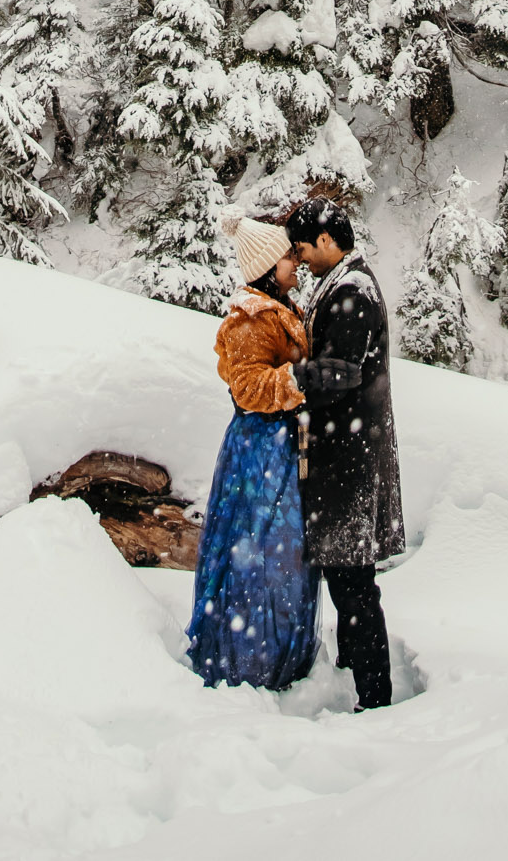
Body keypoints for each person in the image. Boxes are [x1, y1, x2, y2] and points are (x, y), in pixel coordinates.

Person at [185, 214, 319, 691]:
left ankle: (275, 653)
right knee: (261, 552)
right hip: (260, 451)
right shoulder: (251, 319)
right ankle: (248, 662)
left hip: (280, 446)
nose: (296, 263)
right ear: (267, 267)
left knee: (280, 552)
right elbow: (247, 388)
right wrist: (299, 380)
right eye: (289, 258)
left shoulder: (277, 307)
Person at [285, 196, 404, 712]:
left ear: (329, 241)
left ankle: (375, 696)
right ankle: (355, 669)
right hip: (346, 451)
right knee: (346, 576)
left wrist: (287, 379)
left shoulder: (353, 291)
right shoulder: (342, 284)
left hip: (349, 459)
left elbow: (340, 374)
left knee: (354, 582)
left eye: (305, 246)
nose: (302, 257)